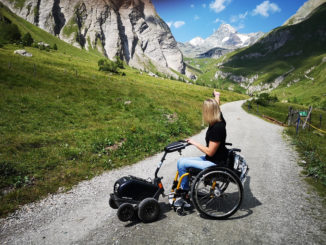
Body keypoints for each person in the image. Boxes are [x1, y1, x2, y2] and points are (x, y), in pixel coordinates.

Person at [175, 90, 228, 206]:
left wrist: (194, 142)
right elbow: (217, 105)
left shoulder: (217, 128)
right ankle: (186, 189)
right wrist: (217, 95)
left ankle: (185, 194)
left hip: (215, 163)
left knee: (182, 164)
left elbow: (210, 151)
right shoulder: (218, 119)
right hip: (213, 159)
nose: (203, 112)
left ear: (209, 112)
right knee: (180, 162)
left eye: (205, 110)